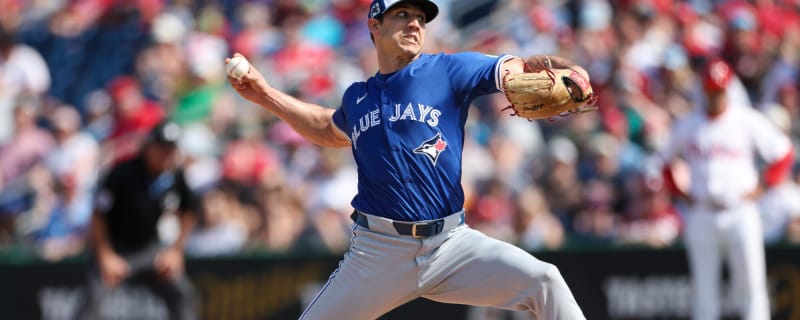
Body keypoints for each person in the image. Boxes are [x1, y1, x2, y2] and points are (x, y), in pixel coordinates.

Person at [227, 0, 586, 318]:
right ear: (374, 24)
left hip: (451, 245)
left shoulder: (448, 70)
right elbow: (326, 127)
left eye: (420, 17)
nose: (415, 24)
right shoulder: (358, 98)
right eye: (402, 14)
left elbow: (506, 71)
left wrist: (531, 70)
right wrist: (264, 94)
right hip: (378, 252)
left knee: (545, 280)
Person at [649, 59, 793, 320]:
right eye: (710, 89)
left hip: (741, 210)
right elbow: (663, 161)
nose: (714, 95)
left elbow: (783, 153)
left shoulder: (746, 119)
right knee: (704, 290)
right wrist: (680, 193)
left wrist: (764, 186)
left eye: (719, 90)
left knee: (750, 286)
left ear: (727, 89)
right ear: (703, 89)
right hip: (703, 212)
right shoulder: (689, 124)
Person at [77, 121, 198, 320]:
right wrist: (106, 255)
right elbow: (98, 215)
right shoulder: (122, 173)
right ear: (149, 147)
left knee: (182, 294)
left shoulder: (175, 175)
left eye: (171, 150)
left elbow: (189, 210)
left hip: (149, 248)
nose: (167, 155)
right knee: (93, 300)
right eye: (162, 149)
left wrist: (176, 251)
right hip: (116, 247)